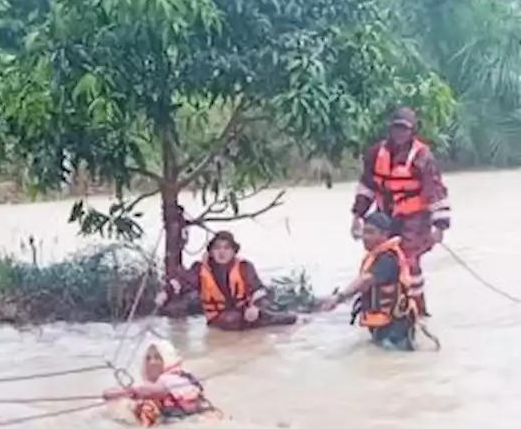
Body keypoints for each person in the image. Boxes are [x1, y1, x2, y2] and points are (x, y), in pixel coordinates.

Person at [351, 106, 448, 314]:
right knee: (381, 258)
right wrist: (357, 216)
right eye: (396, 128)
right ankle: (384, 306)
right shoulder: (376, 153)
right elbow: (367, 186)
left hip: (416, 218)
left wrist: (440, 226)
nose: (400, 133)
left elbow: (436, 191)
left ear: (412, 130)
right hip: (386, 216)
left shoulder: (422, 156)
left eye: (404, 129)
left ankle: (417, 310)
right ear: (390, 128)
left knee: (409, 260)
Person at [317, 212, 418, 350]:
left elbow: (365, 281)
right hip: (383, 326)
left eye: (371, 232)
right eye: (364, 232)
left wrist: (339, 298)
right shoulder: (376, 257)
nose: (365, 237)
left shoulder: (388, 258)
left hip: (395, 328)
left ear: (384, 234)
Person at [155, 231, 297, 329]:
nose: (222, 252)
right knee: (231, 320)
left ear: (234, 251)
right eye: (217, 248)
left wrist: (255, 307)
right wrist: (165, 293)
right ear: (210, 252)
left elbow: (258, 290)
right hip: (220, 320)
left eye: (226, 248)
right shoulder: (199, 270)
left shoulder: (244, 267)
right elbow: (180, 282)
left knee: (289, 320)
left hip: (248, 315)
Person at [102, 339, 212, 426]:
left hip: (184, 423)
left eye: (157, 358)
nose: (152, 362)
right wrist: (122, 393)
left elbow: (159, 390)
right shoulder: (185, 376)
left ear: (168, 359)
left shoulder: (170, 378)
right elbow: (107, 393)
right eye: (148, 358)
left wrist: (134, 392)